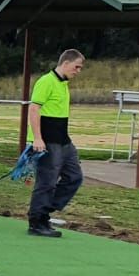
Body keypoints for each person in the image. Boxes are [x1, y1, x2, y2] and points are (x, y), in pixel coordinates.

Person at [26, 48, 85, 238]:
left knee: (74, 176)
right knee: (47, 181)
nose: (78, 71)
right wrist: (37, 138)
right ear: (66, 63)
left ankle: (45, 209)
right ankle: (37, 221)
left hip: (63, 140)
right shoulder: (46, 81)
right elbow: (34, 109)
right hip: (48, 141)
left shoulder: (64, 84)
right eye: (77, 67)